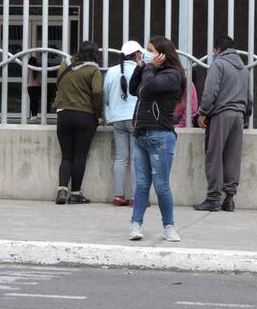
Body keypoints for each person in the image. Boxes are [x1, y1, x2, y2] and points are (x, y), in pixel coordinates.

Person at [127, 36, 185, 243]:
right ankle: (136, 224)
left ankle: (169, 226)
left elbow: (150, 87)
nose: (147, 53)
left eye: (151, 50)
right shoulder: (150, 70)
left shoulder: (172, 75)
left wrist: (149, 67)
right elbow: (134, 89)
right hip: (141, 133)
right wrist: (141, 67)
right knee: (141, 184)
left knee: (161, 185)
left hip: (160, 135)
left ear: (162, 54)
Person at [194, 35, 252, 212]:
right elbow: (249, 97)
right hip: (239, 116)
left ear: (218, 49)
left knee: (214, 155)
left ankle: (213, 198)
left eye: (213, 51)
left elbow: (210, 91)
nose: (213, 54)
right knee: (232, 157)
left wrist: (203, 112)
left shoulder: (218, 64)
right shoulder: (244, 69)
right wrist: (246, 118)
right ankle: (230, 198)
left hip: (221, 114)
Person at [53, 41, 103, 205]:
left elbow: (58, 84)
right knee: (79, 156)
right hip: (85, 116)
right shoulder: (93, 70)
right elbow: (97, 91)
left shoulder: (64, 65)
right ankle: (75, 193)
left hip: (63, 114)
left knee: (66, 156)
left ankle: (62, 189)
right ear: (95, 54)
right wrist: (99, 114)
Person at [103, 40, 143, 206]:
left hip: (117, 119)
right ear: (136, 55)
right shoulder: (139, 70)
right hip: (135, 118)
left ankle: (118, 195)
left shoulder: (111, 72)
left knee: (121, 158)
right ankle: (135, 197)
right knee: (135, 159)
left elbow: (105, 97)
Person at [26, 55, 41, 124]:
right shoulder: (37, 68)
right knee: (36, 101)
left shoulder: (28, 68)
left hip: (30, 86)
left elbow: (27, 78)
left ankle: (33, 114)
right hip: (37, 86)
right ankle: (35, 114)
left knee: (32, 100)